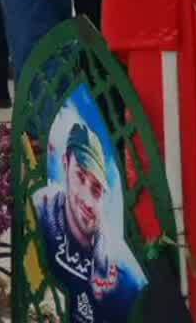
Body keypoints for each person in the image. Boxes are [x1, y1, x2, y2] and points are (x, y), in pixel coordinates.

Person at [32, 121, 144, 321]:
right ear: (65, 163)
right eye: (80, 176)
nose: (87, 200)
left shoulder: (122, 275)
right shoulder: (40, 211)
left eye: (96, 189)